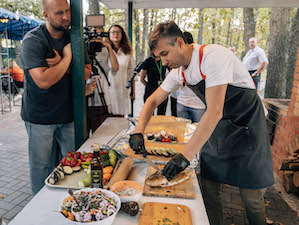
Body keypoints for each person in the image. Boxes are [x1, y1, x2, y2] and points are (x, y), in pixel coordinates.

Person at [129, 21, 274, 225]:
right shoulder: (179, 71)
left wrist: (185, 156)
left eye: (164, 54)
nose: (163, 62)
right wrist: (138, 131)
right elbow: (153, 100)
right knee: (209, 190)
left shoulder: (213, 56)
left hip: (248, 127)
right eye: (158, 57)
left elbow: (214, 111)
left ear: (179, 42)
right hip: (218, 127)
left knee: (252, 199)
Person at [20, 0, 91, 195]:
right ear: (46, 15)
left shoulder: (75, 37)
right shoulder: (33, 40)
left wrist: (60, 64)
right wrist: (68, 59)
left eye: (68, 11)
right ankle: (40, 209)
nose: (67, 17)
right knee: (42, 166)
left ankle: (71, 202)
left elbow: (86, 73)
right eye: (59, 13)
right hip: (40, 117)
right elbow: (43, 80)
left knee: (73, 163)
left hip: (69, 115)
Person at [175, 31, 205, 123]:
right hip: (182, 102)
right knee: (182, 132)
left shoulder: (202, 61)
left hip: (198, 106)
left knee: (199, 132)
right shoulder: (178, 62)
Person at [107, 24, 135, 117]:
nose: (116, 34)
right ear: (109, 34)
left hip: (123, 88)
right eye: (113, 32)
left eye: (118, 32)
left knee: (121, 117)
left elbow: (131, 72)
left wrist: (133, 91)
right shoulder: (104, 51)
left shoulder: (127, 51)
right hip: (109, 88)